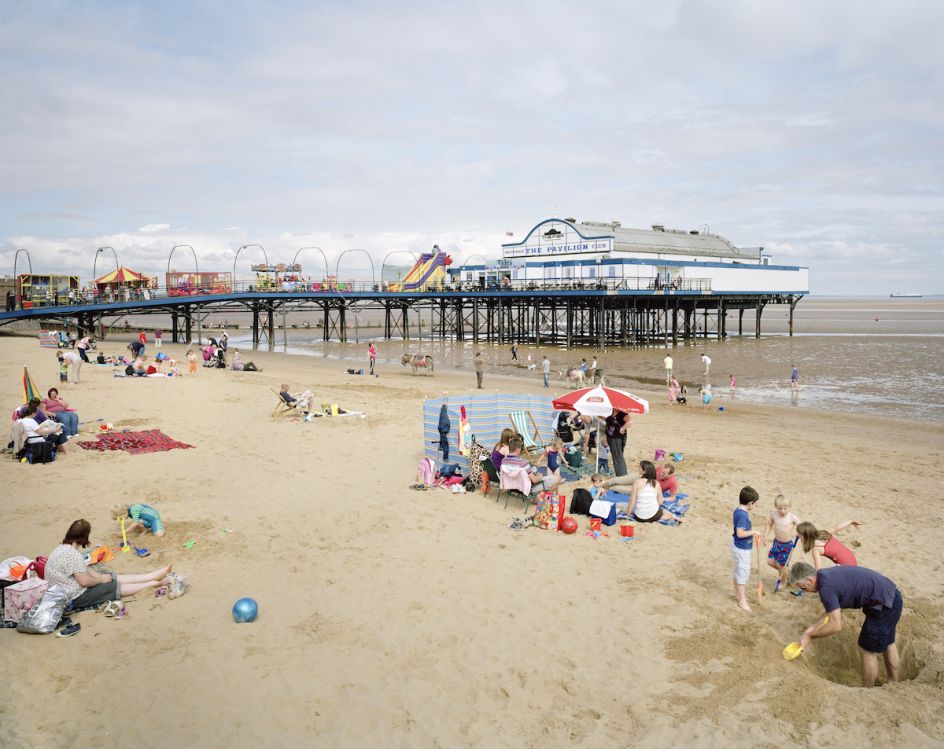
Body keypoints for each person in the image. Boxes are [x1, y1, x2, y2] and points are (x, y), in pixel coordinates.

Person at [789, 562, 902, 687]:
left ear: (809, 580)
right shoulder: (825, 575)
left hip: (883, 607)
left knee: (866, 649)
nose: (804, 591)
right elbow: (830, 612)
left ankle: (868, 691)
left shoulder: (826, 588)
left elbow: (835, 625)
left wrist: (811, 636)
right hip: (892, 596)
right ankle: (893, 683)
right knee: (889, 643)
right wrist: (809, 631)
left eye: (803, 588)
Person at [45, 520, 173, 610]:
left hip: (63, 591)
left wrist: (99, 576)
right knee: (112, 586)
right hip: (74, 597)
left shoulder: (61, 549)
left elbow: (80, 568)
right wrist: (100, 579)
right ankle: (154, 582)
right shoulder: (73, 554)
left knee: (108, 577)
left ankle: (152, 575)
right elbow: (83, 582)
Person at [624, 461, 688, 525]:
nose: (661, 474)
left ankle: (667, 517)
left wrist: (627, 515)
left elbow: (632, 501)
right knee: (663, 511)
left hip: (639, 518)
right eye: (661, 472)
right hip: (652, 515)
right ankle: (675, 517)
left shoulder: (637, 482)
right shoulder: (657, 483)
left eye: (640, 467)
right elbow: (660, 502)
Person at [732, 486, 761, 612]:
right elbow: (740, 533)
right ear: (750, 503)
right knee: (743, 573)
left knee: (738, 570)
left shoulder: (738, 510)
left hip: (738, 546)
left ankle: (738, 595)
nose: (755, 506)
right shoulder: (742, 515)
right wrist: (753, 531)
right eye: (755, 504)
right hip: (741, 548)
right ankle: (742, 601)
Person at [762, 494, 801, 589]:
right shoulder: (774, 515)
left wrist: (798, 532)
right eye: (780, 508)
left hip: (787, 545)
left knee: (781, 565)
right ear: (776, 507)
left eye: (785, 508)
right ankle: (787, 573)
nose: (782, 511)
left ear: (789, 507)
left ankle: (783, 582)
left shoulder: (792, 517)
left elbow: (801, 526)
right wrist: (765, 536)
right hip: (776, 543)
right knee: (770, 561)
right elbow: (769, 524)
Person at [797, 520, 862, 570]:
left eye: (799, 535)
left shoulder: (816, 549)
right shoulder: (824, 533)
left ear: (805, 537)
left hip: (846, 565)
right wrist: (851, 521)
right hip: (851, 557)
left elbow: (818, 570)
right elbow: (837, 527)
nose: (798, 536)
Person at [602, 409, 629, 476]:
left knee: (618, 457)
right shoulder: (611, 412)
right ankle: (620, 474)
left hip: (617, 438)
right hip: (611, 438)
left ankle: (622, 476)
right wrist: (597, 414)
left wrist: (622, 429)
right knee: (616, 457)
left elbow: (630, 421)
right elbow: (608, 420)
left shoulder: (622, 413)